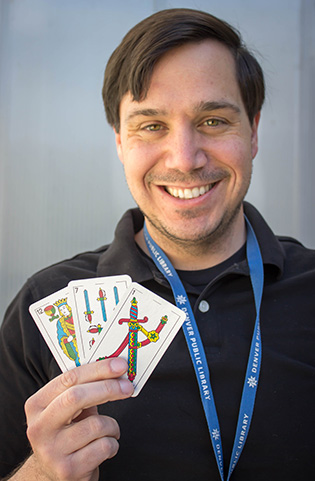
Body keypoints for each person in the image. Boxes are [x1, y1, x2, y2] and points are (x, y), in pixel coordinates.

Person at [0, 8, 314, 481]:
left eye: (212, 120)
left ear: (253, 132)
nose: (185, 159)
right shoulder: (43, 307)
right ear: (121, 142)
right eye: (151, 125)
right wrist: (43, 473)